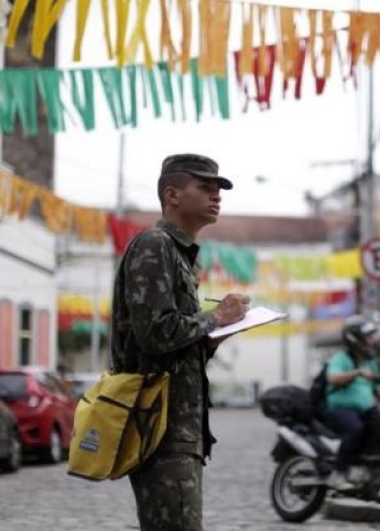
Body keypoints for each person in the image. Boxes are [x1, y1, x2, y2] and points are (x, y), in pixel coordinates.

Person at [110, 153, 249, 531]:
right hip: (159, 427)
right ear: (172, 194)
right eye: (205, 187)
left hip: (178, 429)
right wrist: (216, 317)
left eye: (218, 188)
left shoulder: (180, 255)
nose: (216, 195)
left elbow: (173, 346)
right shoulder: (155, 246)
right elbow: (155, 334)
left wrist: (217, 335)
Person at [322, 315, 380, 490]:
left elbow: (377, 388)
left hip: (365, 410)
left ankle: (368, 469)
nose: (372, 340)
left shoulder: (370, 362)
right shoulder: (341, 358)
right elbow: (333, 378)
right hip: (339, 410)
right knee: (354, 429)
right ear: (355, 339)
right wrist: (356, 373)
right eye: (368, 337)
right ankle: (339, 473)